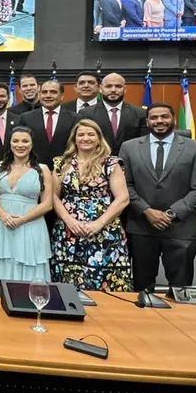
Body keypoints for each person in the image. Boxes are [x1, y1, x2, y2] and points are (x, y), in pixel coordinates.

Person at [119, 103, 196, 291]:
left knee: (180, 288)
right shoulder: (129, 147)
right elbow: (124, 184)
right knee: (141, 286)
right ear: (147, 121)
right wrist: (146, 210)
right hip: (141, 226)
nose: (159, 121)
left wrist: (170, 213)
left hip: (181, 228)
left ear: (174, 120)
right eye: (154, 117)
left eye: (164, 116)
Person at [50, 120, 132, 290]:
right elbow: (53, 196)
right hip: (69, 232)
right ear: (74, 139)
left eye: (90, 134)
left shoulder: (111, 163)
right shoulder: (62, 163)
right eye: (81, 134)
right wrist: (69, 221)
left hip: (105, 232)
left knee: (105, 282)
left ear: (99, 138)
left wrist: (99, 223)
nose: (85, 138)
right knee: (68, 283)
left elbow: (123, 198)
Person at [0, 127, 54, 282]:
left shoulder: (42, 170)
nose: (20, 145)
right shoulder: (1, 167)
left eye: (25, 141)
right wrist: (3, 215)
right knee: (2, 265)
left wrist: (22, 219)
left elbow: (47, 204)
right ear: (10, 144)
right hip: (3, 225)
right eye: (15, 141)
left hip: (31, 227)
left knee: (29, 266)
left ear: (32, 144)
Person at [77, 73, 147, 154]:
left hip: (130, 162)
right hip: (98, 161)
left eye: (118, 86)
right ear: (100, 88)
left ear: (125, 89)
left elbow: (143, 143)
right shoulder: (86, 113)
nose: (113, 90)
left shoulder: (140, 113)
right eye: (108, 86)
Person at [18, 79, 76, 168]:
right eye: (44, 92)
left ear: (62, 96)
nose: (48, 95)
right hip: (34, 169)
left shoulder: (74, 118)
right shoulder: (26, 118)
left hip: (66, 170)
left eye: (53, 92)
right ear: (39, 95)